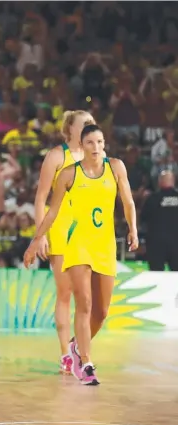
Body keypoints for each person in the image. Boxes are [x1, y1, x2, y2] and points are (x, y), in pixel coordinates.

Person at [24, 124, 138, 386]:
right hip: (78, 245)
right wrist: (36, 240)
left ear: (104, 143)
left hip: (105, 246)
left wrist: (133, 229)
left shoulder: (116, 167)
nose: (96, 147)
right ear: (82, 146)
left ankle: (75, 347)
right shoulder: (69, 174)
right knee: (83, 303)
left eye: (100, 142)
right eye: (90, 143)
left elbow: (128, 202)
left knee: (102, 311)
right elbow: (52, 212)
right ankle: (85, 363)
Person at [33, 110, 94, 373]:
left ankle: (80, 349)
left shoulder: (95, 158)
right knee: (65, 293)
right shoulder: (57, 156)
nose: (90, 128)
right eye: (85, 124)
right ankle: (65, 354)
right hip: (60, 229)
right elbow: (40, 199)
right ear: (70, 129)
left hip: (87, 231)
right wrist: (40, 235)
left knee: (87, 297)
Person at [141, 171, 178, 271]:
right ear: (173, 181)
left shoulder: (152, 199)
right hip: (176, 243)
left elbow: (143, 218)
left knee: (156, 274)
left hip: (156, 243)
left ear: (159, 182)